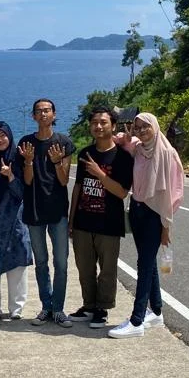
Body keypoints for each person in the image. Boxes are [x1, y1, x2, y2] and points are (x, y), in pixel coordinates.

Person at [110, 112, 184, 339]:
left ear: (155, 127)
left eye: (146, 127)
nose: (141, 131)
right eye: (138, 127)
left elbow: (173, 193)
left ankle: (137, 320)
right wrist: (123, 136)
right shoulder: (138, 149)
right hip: (137, 210)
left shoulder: (167, 153)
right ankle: (157, 311)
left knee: (143, 264)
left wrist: (166, 226)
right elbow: (120, 140)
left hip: (155, 214)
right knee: (148, 261)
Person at [68, 107, 134, 329]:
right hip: (83, 221)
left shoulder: (124, 157)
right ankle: (88, 305)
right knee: (84, 267)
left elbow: (122, 192)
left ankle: (102, 309)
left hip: (109, 223)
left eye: (103, 122)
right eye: (94, 122)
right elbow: (78, 187)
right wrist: (71, 219)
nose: (98, 126)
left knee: (107, 270)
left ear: (113, 126)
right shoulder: (84, 153)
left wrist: (100, 174)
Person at [18, 98, 76, 327]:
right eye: (39, 111)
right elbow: (27, 180)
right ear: (33, 116)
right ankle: (46, 306)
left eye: (47, 110)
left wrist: (58, 161)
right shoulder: (26, 143)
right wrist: (29, 161)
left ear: (54, 114)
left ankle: (59, 309)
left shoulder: (64, 143)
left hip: (58, 212)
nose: (43, 114)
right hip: (34, 212)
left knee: (61, 262)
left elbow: (63, 181)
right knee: (41, 262)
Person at [0, 121, 31, 320]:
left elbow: (22, 193)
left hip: (15, 221)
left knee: (18, 265)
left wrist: (10, 176)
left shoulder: (18, 160)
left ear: (9, 136)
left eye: (3, 135)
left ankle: (16, 308)